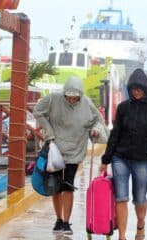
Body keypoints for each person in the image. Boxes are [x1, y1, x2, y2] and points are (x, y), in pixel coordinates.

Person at [99, 68, 147, 240]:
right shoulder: (123, 108)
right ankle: (122, 236)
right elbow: (115, 134)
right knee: (121, 197)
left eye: (139, 88)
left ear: (146, 89)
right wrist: (106, 159)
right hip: (121, 158)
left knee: (140, 197)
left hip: (142, 159)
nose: (136, 91)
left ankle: (140, 224)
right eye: (133, 89)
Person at [33, 76, 108, 235]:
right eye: (69, 96)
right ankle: (58, 219)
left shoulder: (87, 103)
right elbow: (37, 111)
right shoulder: (53, 99)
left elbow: (98, 121)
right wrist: (48, 129)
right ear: (64, 93)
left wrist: (96, 131)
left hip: (75, 150)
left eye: (75, 97)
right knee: (55, 186)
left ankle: (66, 223)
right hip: (55, 149)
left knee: (67, 185)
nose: (72, 99)